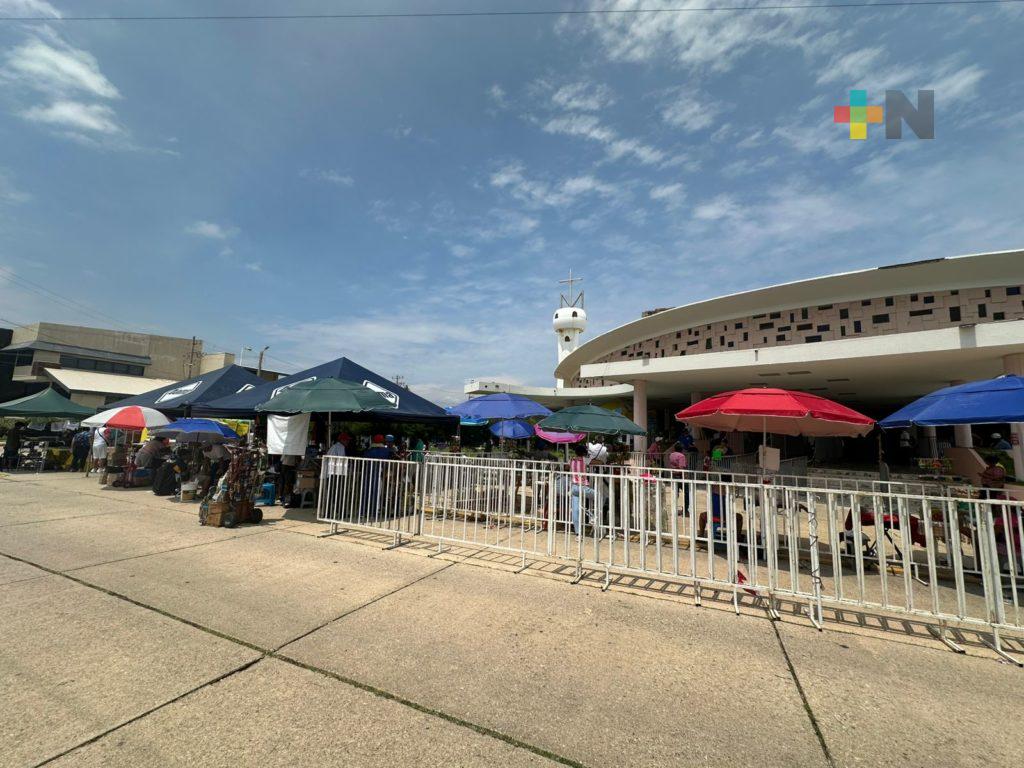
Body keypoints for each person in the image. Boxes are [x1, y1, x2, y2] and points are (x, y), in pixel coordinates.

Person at [568, 443, 593, 535]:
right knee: (600, 496)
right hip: (583, 487)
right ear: (584, 453)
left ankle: (577, 532)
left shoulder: (571, 460)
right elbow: (596, 462)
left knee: (575, 510)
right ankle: (593, 517)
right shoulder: (585, 459)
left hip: (574, 487)